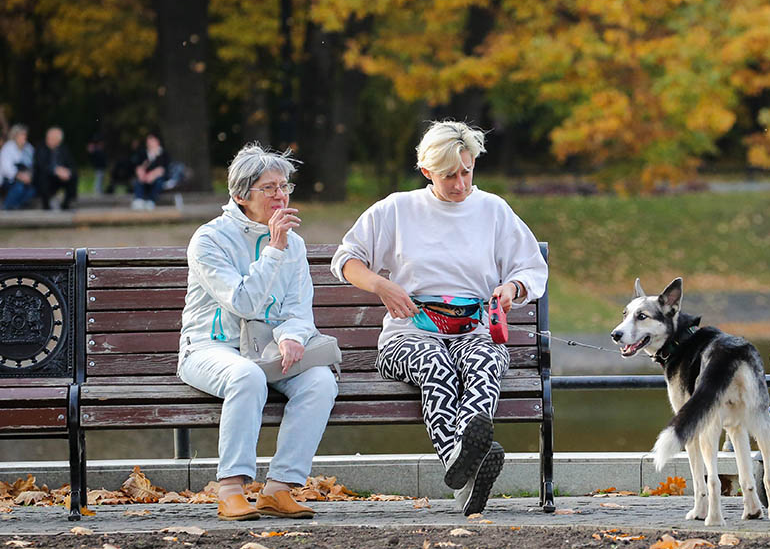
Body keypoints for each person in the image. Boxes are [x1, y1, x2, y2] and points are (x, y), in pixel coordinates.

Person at [332, 120, 547, 516]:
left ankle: (461, 472)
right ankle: (462, 464)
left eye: (467, 171)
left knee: (483, 363)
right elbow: (346, 260)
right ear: (427, 170)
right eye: (450, 175)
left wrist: (511, 290)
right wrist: (382, 286)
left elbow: (530, 270)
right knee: (436, 365)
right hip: (408, 335)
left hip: (474, 330)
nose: (461, 184)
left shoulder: (493, 210)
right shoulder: (396, 209)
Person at [177, 143, 338, 521]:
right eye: (269, 188)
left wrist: (292, 336)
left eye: (284, 187)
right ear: (240, 195)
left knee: (320, 381)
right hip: (209, 348)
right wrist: (275, 249)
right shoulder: (209, 240)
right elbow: (243, 302)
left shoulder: (292, 243)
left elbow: (299, 306)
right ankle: (231, 489)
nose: (280, 196)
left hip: (265, 350)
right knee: (245, 376)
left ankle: (279, 489)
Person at [34, 126, 77, 210]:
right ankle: (46, 206)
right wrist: (56, 171)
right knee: (43, 177)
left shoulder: (63, 149)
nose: (49, 140)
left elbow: (72, 164)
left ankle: (67, 203)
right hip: (47, 177)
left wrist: (67, 171)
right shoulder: (41, 147)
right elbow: (41, 166)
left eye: (54, 139)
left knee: (73, 176)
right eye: (49, 138)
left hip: (61, 177)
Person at [1, 124, 36, 210]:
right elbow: (6, 167)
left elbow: (33, 164)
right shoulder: (8, 147)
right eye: (21, 135)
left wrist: (29, 176)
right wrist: (20, 176)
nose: (24, 137)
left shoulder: (29, 148)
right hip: (10, 178)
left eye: (25, 135)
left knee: (32, 190)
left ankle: (17, 207)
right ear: (15, 136)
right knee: (19, 187)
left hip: (26, 177)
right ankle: (6, 208)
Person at [132, 131, 170, 210]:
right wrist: (141, 174)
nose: (150, 143)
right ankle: (139, 200)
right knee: (138, 182)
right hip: (145, 177)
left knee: (158, 182)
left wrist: (152, 175)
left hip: (158, 178)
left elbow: (162, 169)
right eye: (148, 141)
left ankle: (151, 201)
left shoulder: (163, 153)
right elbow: (138, 166)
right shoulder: (143, 153)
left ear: (157, 141)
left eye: (152, 141)